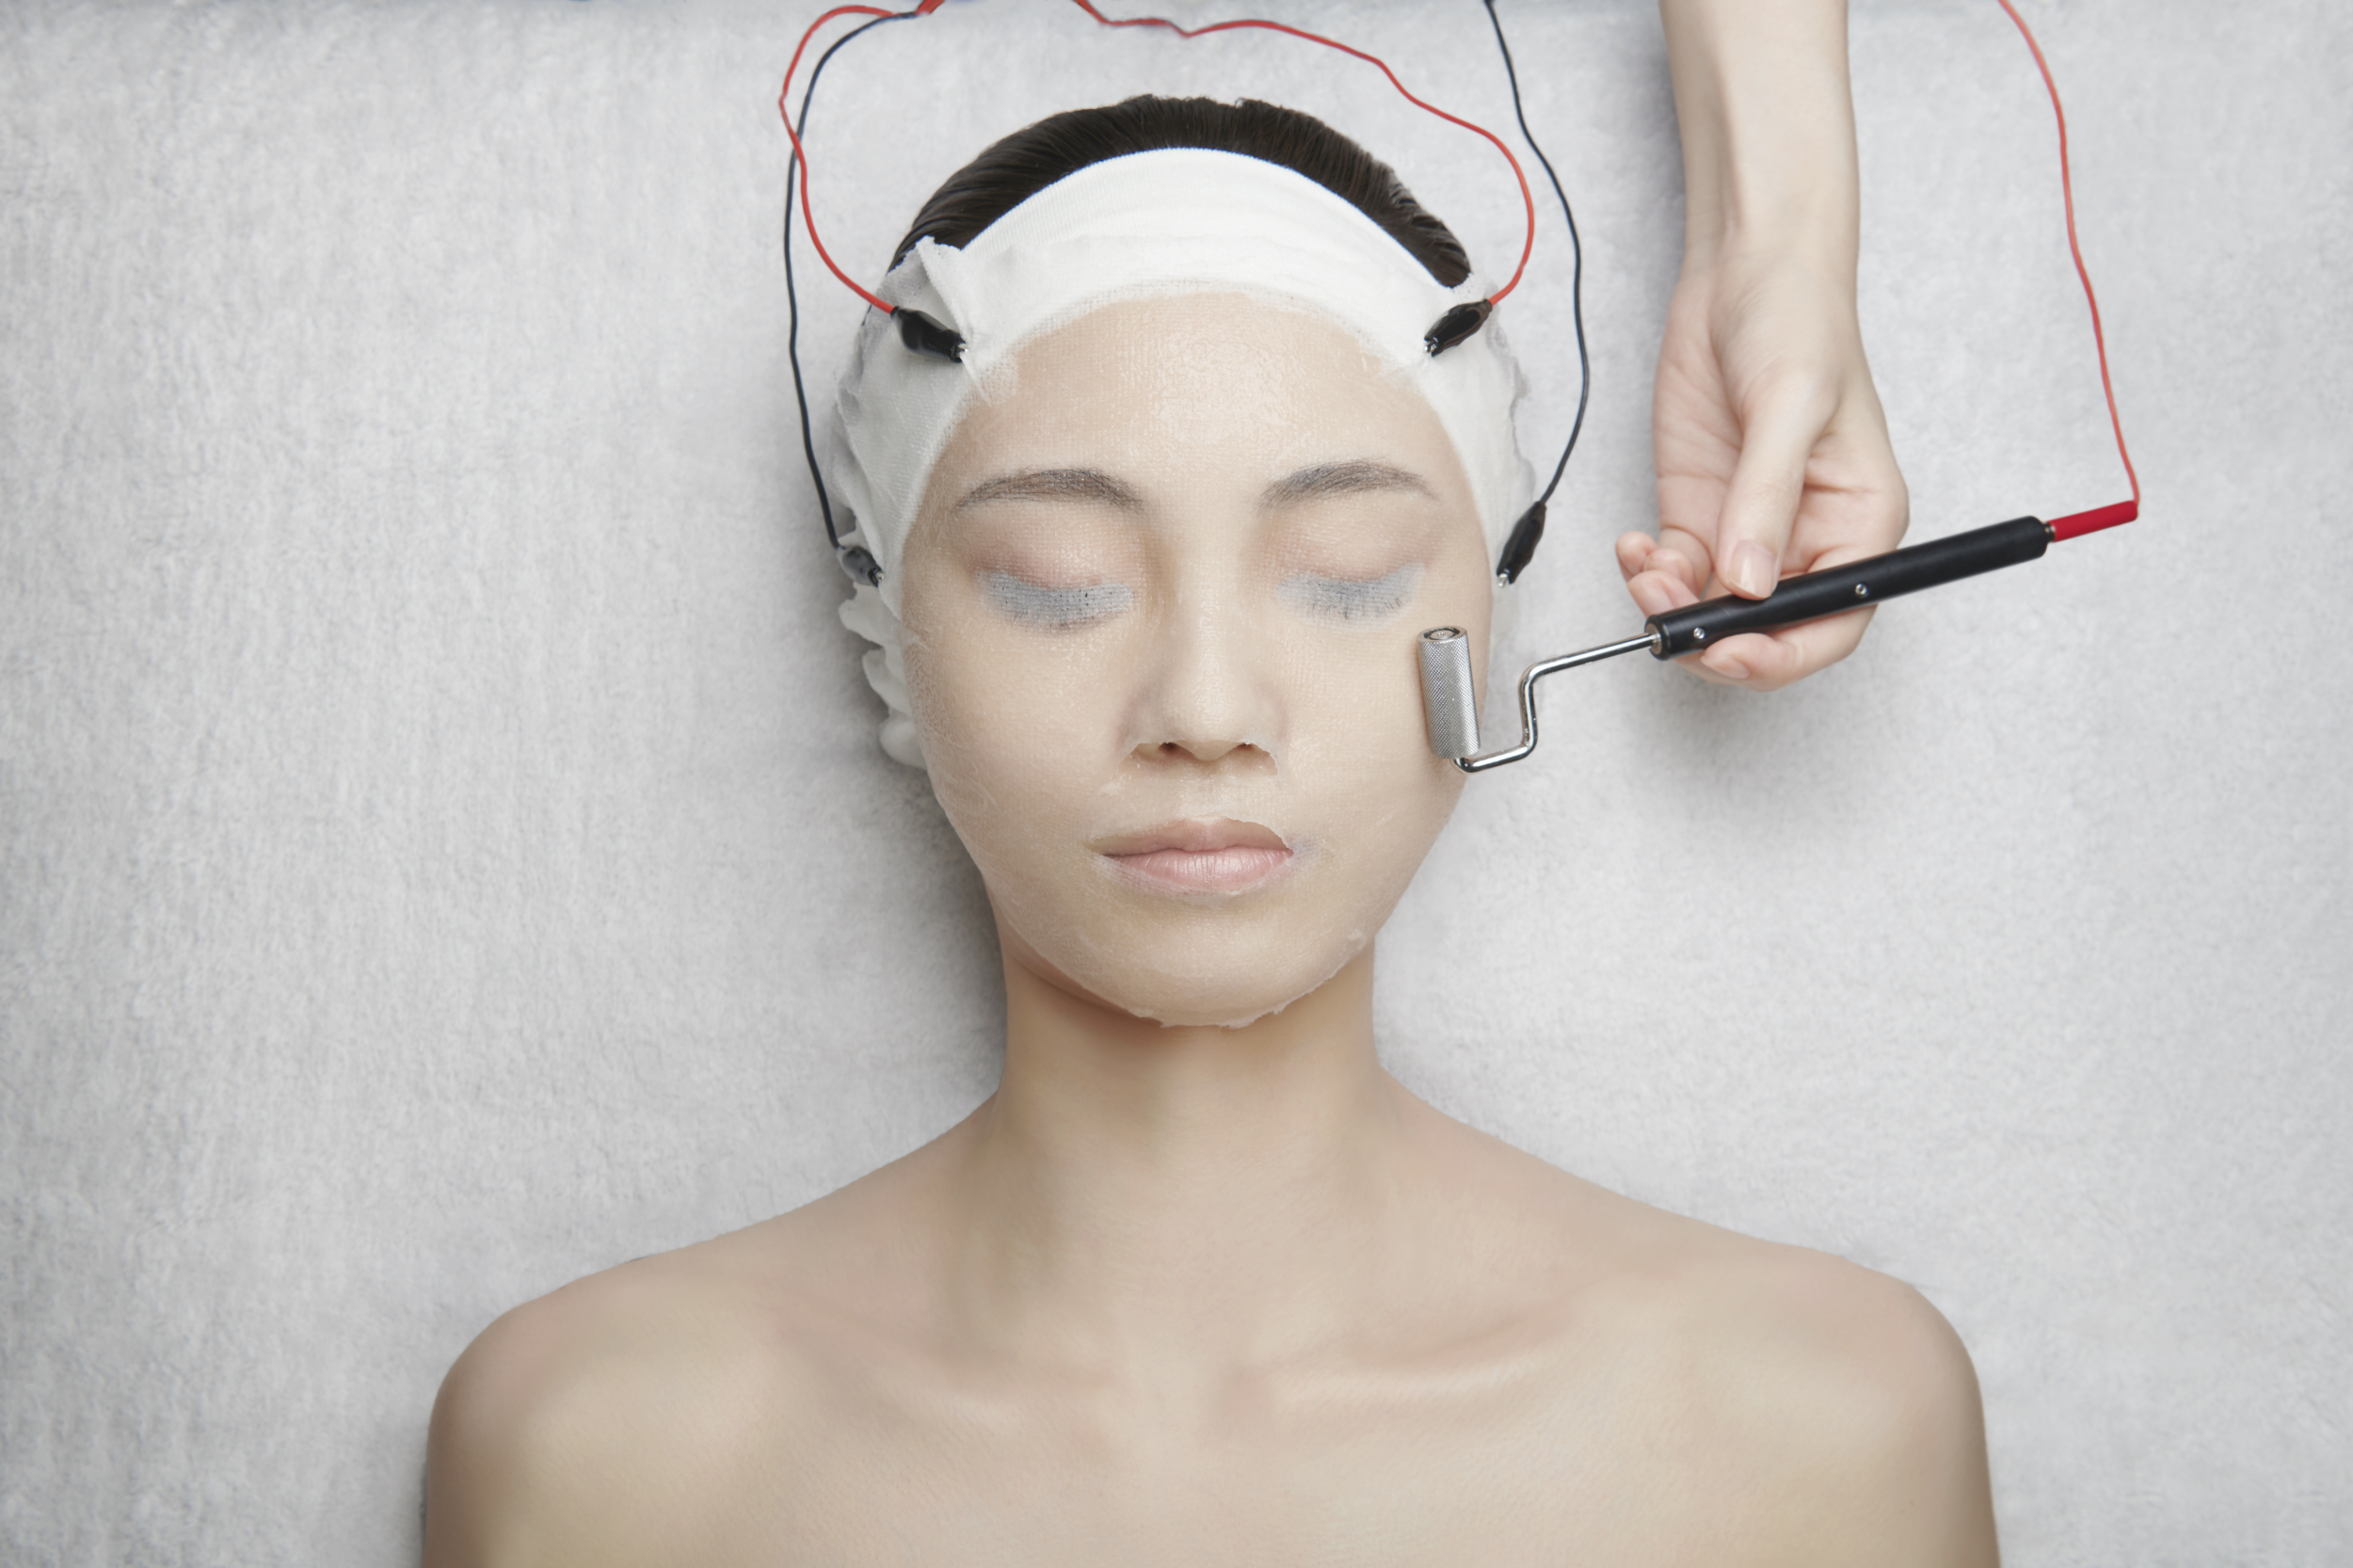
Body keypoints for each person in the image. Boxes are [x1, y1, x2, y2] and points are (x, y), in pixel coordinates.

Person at [425, 4, 1982, 1562]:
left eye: (1348, 572)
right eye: (1055, 580)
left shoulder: (1817, 1424)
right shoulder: (603, 1448)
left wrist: (1777, 246)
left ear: (1495, 616)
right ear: (889, 635)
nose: (1206, 710)